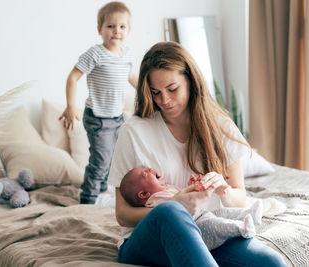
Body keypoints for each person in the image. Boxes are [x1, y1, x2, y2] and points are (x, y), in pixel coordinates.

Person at [107, 41, 287, 266]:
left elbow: (240, 198)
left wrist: (224, 190)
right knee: (170, 211)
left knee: (271, 263)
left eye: (172, 89)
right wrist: (176, 206)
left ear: (191, 80)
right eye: (156, 93)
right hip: (147, 240)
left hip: (207, 233)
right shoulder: (134, 131)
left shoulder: (221, 126)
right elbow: (122, 214)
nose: (164, 100)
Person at [58, 2, 138, 204]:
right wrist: (70, 106)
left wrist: (151, 94)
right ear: (99, 30)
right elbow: (72, 78)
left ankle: (102, 190)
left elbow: (132, 79)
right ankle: (87, 198)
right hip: (98, 118)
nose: (116, 31)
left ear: (129, 30)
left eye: (122, 27)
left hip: (118, 117)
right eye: (110, 26)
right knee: (100, 160)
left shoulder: (126, 54)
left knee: (112, 158)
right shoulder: (95, 53)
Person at [120, 167, 263, 250]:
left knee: (221, 213)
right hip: (196, 226)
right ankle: (240, 228)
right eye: (146, 173)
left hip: (200, 215)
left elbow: (184, 197)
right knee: (216, 225)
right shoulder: (153, 200)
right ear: (144, 194)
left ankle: (249, 214)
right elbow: (167, 210)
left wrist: (191, 186)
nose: (150, 169)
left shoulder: (168, 188)